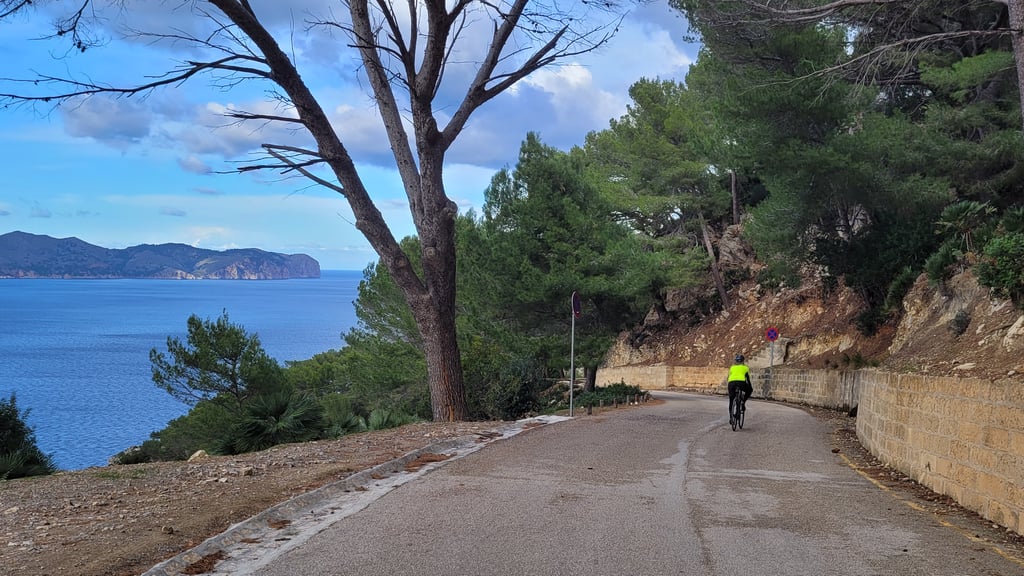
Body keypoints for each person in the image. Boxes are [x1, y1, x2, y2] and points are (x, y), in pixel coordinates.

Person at [727, 354, 753, 425]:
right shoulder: (745, 368)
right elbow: (748, 379)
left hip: (731, 383)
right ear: (743, 361)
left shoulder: (732, 368)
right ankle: (743, 402)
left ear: (735, 361)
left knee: (731, 400)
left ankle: (731, 418)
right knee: (750, 390)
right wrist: (750, 388)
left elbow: (729, 377)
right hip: (741, 383)